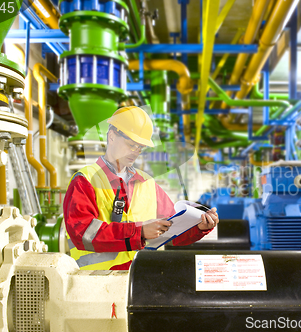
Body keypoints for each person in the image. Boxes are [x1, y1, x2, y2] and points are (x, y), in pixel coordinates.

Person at [63, 106, 219, 270]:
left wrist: (198, 228)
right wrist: (139, 232)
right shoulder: (85, 180)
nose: (135, 151)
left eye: (140, 147)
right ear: (112, 136)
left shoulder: (147, 183)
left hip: (141, 279)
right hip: (98, 284)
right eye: (131, 144)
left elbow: (171, 232)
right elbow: (82, 233)